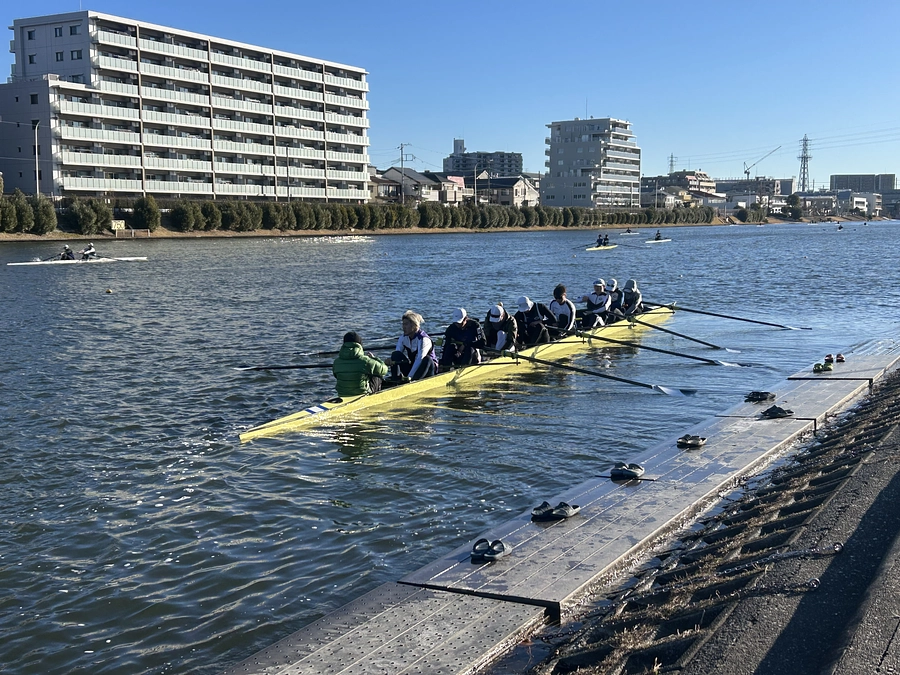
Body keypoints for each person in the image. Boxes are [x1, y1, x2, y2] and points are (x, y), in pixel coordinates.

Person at [332, 331, 389, 397]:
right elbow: (384, 370)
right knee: (378, 374)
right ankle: (376, 396)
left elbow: (336, 375)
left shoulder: (336, 362)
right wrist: (374, 358)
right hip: (362, 393)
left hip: (342, 393)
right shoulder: (366, 361)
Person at [388, 310, 437, 382]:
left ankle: (412, 381)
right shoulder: (403, 338)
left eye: (406, 324)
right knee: (395, 355)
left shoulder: (424, 339)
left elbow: (420, 359)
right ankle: (395, 380)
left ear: (414, 325)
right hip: (414, 368)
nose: (403, 327)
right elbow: (397, 353)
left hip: (428, 370)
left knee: (427, 359)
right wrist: (390, 361)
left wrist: (409, 377)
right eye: (403, 324)